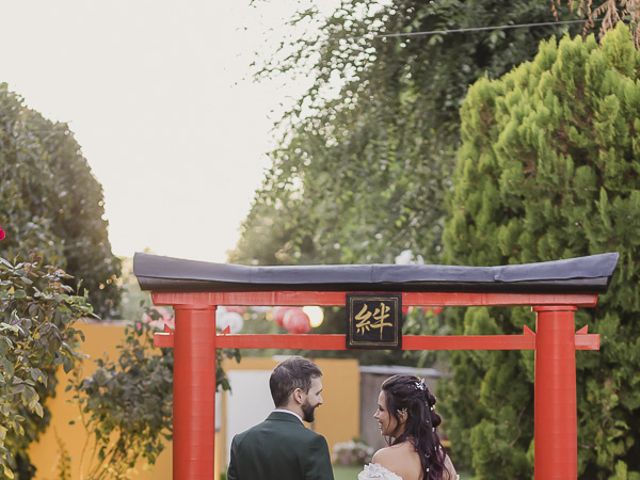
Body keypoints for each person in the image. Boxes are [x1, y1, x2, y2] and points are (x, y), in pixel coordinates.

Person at [227, 356, 335, 480]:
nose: (321, 400)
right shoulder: (313, 443)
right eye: (317, 393)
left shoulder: (241, 442)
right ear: (299, 395)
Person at [359, 375, 458, 480]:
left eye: (381, 409)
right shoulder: (442, 460)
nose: (376, 415)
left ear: (402, 415)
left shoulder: (384, 458)